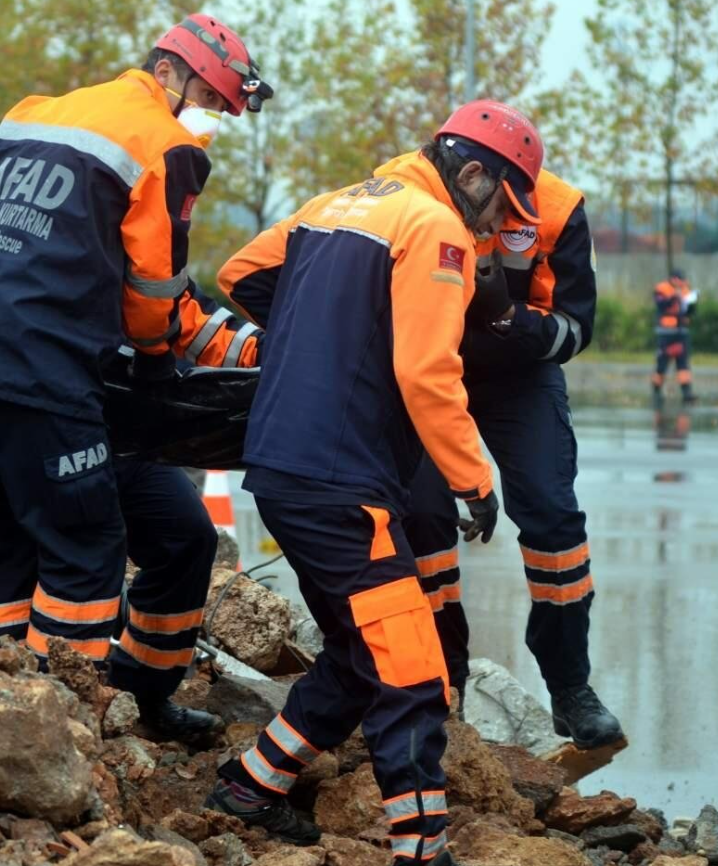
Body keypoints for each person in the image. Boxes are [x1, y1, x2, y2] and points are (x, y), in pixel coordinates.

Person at [0, 14, 271, 731]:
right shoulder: (161, 144)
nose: (208, 122)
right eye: (208, 102)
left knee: (16, 554)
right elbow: (155, 292)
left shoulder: (35, 114)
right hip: (41, 373)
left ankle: (102, 698)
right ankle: (58, 728)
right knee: (84, 551)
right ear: (169, 72)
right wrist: (161, 357)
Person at [206, 101, 545, 863]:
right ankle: (422, 850)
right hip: (339, 483)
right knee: (412, 670)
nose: (498, 228)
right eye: (501, 204)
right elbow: (426, 371)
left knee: (360, 657)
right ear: (471, 173)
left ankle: (249, 785)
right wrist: (474, 480)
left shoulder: (337, 204)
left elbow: (243, 273)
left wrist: (317, 330)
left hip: (287, 468)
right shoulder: (435, 228)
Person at [400, 159, 622, 749]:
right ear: (464, 169)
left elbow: (575, 327)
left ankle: (570, 688)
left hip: (520, 373)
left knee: (553, 515)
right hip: (426, 367)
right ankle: (443, 687)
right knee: (422, 518)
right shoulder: (410, 185)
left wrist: (509, 320)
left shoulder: (559, 207)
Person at [653, 269, 698, 405]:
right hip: (666, 333)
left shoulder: (686, 290)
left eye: (682, 280)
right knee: (662, 364)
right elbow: (661, 304)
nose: (681, 282)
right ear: (673, 279)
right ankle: (656, 392)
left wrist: (690, 303)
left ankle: (687, 393)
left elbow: (692, 311)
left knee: (683, 364)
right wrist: (674, 296)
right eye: (679, 279)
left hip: (681, 333)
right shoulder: (661, 289)